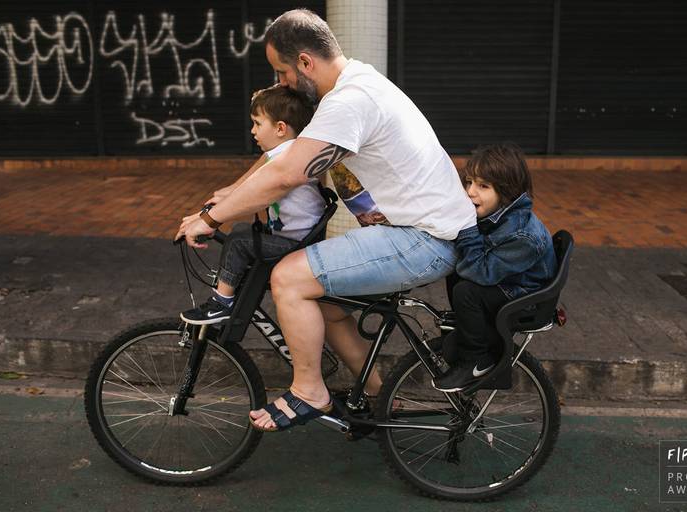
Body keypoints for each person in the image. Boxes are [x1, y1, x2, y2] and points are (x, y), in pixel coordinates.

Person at [175, 9, 476, 432]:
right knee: (329, 307)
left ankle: (309, 391)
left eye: (281, 72)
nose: (280, 84)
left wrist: (211, 218)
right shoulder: (360, 82)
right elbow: (283, 156)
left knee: (289, 277)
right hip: (424, 231)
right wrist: (230, 195)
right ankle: (378, 394)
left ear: (304, 62)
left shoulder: (348, 101)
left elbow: (286, 174)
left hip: (423, 240)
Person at [180, 85, 324, 324]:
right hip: (300, 239)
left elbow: (248, 195)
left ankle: (221, 303)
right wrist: (211, 209)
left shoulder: (283, 157)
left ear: (280, 128)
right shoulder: (287, 152)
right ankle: (230, 289)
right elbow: (242, 189)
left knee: (238, 241)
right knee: (241, 234)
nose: (253, 131)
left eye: (258, 123)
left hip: (298, 245)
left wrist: (208, 220)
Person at [432, 143, 558, 392]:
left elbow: (479, 271)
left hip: (525, 296)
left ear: (507, 191)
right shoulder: (498, 215)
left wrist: (466, 230)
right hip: (510, 282)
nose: (470, 192)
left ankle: (477, 360)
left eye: (483, 186)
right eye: (469, 182)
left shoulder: (523, 235)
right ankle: (470, 327)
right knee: (457, 272)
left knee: (466, 291)